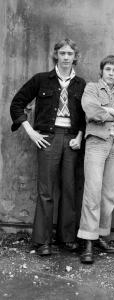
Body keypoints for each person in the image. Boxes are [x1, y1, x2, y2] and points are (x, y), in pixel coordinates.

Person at [9, 38, 86, 256]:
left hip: (71, 140)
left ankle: (67, 238)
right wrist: (30, 131)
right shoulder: (42, 80)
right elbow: (17, 103)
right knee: (46, 190)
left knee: (70, 190)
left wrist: (80, 137)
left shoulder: (81, 84)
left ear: (75, 57)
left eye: (70, 54)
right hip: (48, 139)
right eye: (62, 53)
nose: (66, 57)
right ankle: (43, 241)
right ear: (56, 55)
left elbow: (85, 116)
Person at [77, 55, 114, 264]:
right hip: (96, 143)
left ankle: (100, 235)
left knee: (109, 193)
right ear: (101, 71)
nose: (111, 73)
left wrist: (109, 111)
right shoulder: (91, 88)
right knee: (92, 192)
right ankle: (87, 242)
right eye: (108, 69)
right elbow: (91, 110)